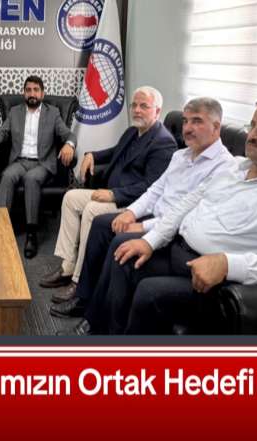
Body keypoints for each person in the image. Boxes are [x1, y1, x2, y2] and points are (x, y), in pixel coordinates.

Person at [86, 97, 257, 334]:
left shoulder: (221, 163)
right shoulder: (234, 167)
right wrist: (150, 241)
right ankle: (100, 333)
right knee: (124, 257)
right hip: (178, 248)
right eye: (252, 125)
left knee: (149, 291)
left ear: (216, 127)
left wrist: (228, 264)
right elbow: (185, 205)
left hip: (209, 275)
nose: (252, 135)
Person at [50, 97, 235, 317]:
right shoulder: (180, 155)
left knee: (118, 239)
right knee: (101, 224)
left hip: (170, 231)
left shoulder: (224, 167)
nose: (187, 128)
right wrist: (131, 213)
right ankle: (83, 296)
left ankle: (95, 315)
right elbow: (155, 190)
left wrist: (143, 225)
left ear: (216, 127)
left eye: (196, 121)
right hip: (152, 215)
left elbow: (186, 215)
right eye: (185, 121)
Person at [39, 86, 176, 298]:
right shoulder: (133, 131)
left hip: (131, 203)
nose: (137, 110)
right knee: (70, 198)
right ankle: (68, 266)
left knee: (92, 209)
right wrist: (91, 155)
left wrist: (113, 195)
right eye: (134, 105)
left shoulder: (163, 143)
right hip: (112, 192)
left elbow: (151, 188)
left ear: (157, 111)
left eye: (144, 106)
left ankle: (78, 280)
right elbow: (114, 152)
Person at [0, 75, 76, 258]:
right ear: (24, 93)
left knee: (31, 179)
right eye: (28, 90)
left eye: (35, 90)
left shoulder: (53, 113)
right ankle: (1, 227)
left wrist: (69, 145)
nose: (32, 94)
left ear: (42, 93)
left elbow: (68, 135)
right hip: (20, 161)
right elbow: (2, 132)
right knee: (7, 176)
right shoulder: (15, 112)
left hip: (42, 163)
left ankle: (31, 233)